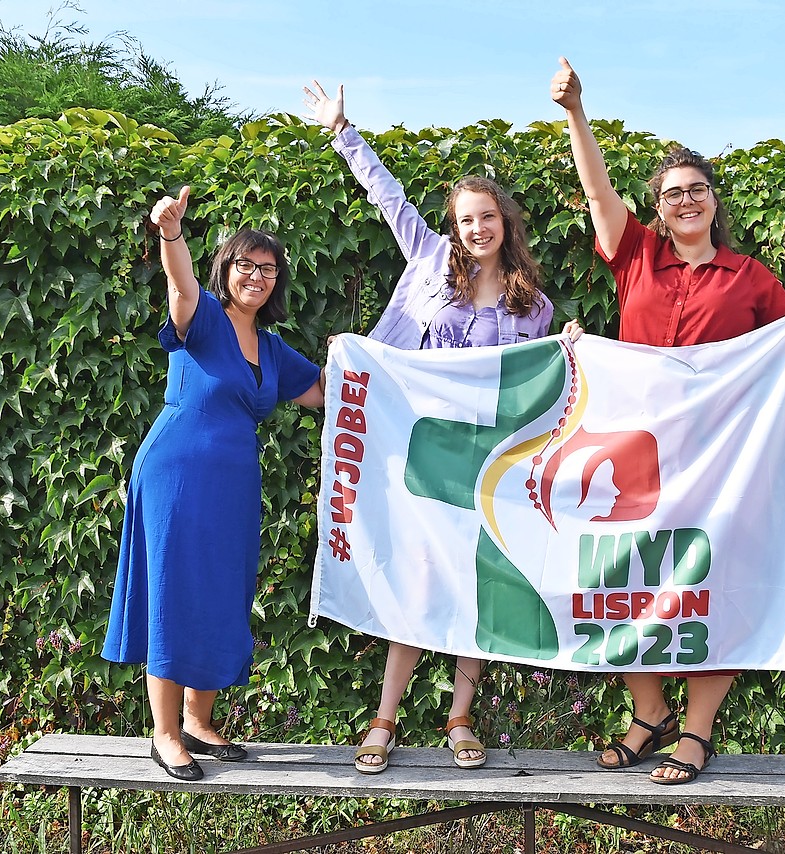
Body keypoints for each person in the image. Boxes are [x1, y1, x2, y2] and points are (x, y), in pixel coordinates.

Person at [550, 57, 785, 785]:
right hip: (636, 454)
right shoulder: (636, 257)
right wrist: (575, 113)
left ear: (715, 201)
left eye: (698, 190)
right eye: (673, 193)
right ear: (657, 209)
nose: (687, 201)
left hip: (721, 462)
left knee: (712, 587)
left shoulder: (753, 279)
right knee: (619, 586)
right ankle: (648, 713)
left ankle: (695, 733)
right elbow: (596, 190)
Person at [303, 79, 581, 774]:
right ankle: (386, 716)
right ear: (454, 228)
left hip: (494, 462)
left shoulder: (535, 305)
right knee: (421, 579)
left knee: (480, 587)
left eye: (487, 218)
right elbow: (387, 197)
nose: (477, 229)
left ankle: (459, 716)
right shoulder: (430, 264)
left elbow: (540, 386)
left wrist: (570, 347)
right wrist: (344, 130)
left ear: (504, 224)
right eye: (465, 220)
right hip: (429, 454)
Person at [102, 187, 325, 781]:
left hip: (231, 485)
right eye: (245, 265)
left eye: (268, 268)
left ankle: (200, 723)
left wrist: (390, 358)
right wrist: (170, 233)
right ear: (225, 270)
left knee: (221, 590)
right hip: (176, 472)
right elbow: (179, 286)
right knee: (174, 590)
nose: (257, 275)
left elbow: (327, 393)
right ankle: (166, 734)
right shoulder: (200, 318)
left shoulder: (274, 351)